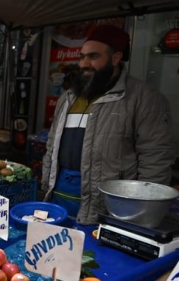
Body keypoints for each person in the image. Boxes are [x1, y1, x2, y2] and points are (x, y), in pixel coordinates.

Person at [42, 25, 175, 227]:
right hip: (59, 197)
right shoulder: (68, 98)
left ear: (115, 58)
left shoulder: (144, 99)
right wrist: (45, 185)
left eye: (93, 56)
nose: (84, 64)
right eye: (82, 56)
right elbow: (51, 145)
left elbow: (155, 161)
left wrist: (139, 213)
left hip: (109, 207)